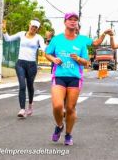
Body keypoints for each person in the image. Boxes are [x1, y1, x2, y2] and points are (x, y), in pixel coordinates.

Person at [45, 12, 90, 146]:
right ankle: (59, 126)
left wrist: (78, 59)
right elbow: (47, 53)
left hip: (74, 78)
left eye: (75, 20)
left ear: (77, 24)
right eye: (70, 19)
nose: (73, 21)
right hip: (59, 76)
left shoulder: (81, 41)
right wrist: (54, 59)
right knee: (58, 105)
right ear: (65, 22)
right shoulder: (57, 39)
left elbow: (86, 62)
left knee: (70, 108)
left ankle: (68, 134)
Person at [2, 19, 46, 118]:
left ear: (37, 29)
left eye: (36, 27)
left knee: (30, 86)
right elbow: (8, 39)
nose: (33, 28)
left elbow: (43, 48)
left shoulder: (38, 37)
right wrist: (4, 30)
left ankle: (30, 105)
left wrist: (48, 48)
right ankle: (22, 109)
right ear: (29, 24)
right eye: (32, 26)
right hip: (20, 64)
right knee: (22, 85)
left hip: (31, 65)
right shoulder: (21, 34)